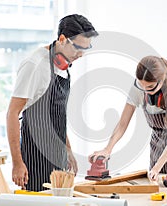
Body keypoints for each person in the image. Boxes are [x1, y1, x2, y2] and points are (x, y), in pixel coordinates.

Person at [6, 14, 98, 191]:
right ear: (62, 39)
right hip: (36, 158)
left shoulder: (64, 66)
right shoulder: (35, 65)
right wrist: (17, 163)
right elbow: (12, 114)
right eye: (78, 47)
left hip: (58, 156)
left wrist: (68, 150)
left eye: (85, 49)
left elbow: (56, 115)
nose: (80, 55)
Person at [89, 56, 167, 181]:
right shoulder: (139, 87)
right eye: (142, 87)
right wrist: (107, 149)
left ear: (163, 79)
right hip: (158, 141)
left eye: (150, 88)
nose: (145, 92)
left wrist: (156, 168)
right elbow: (122, 124)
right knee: (158, 190)